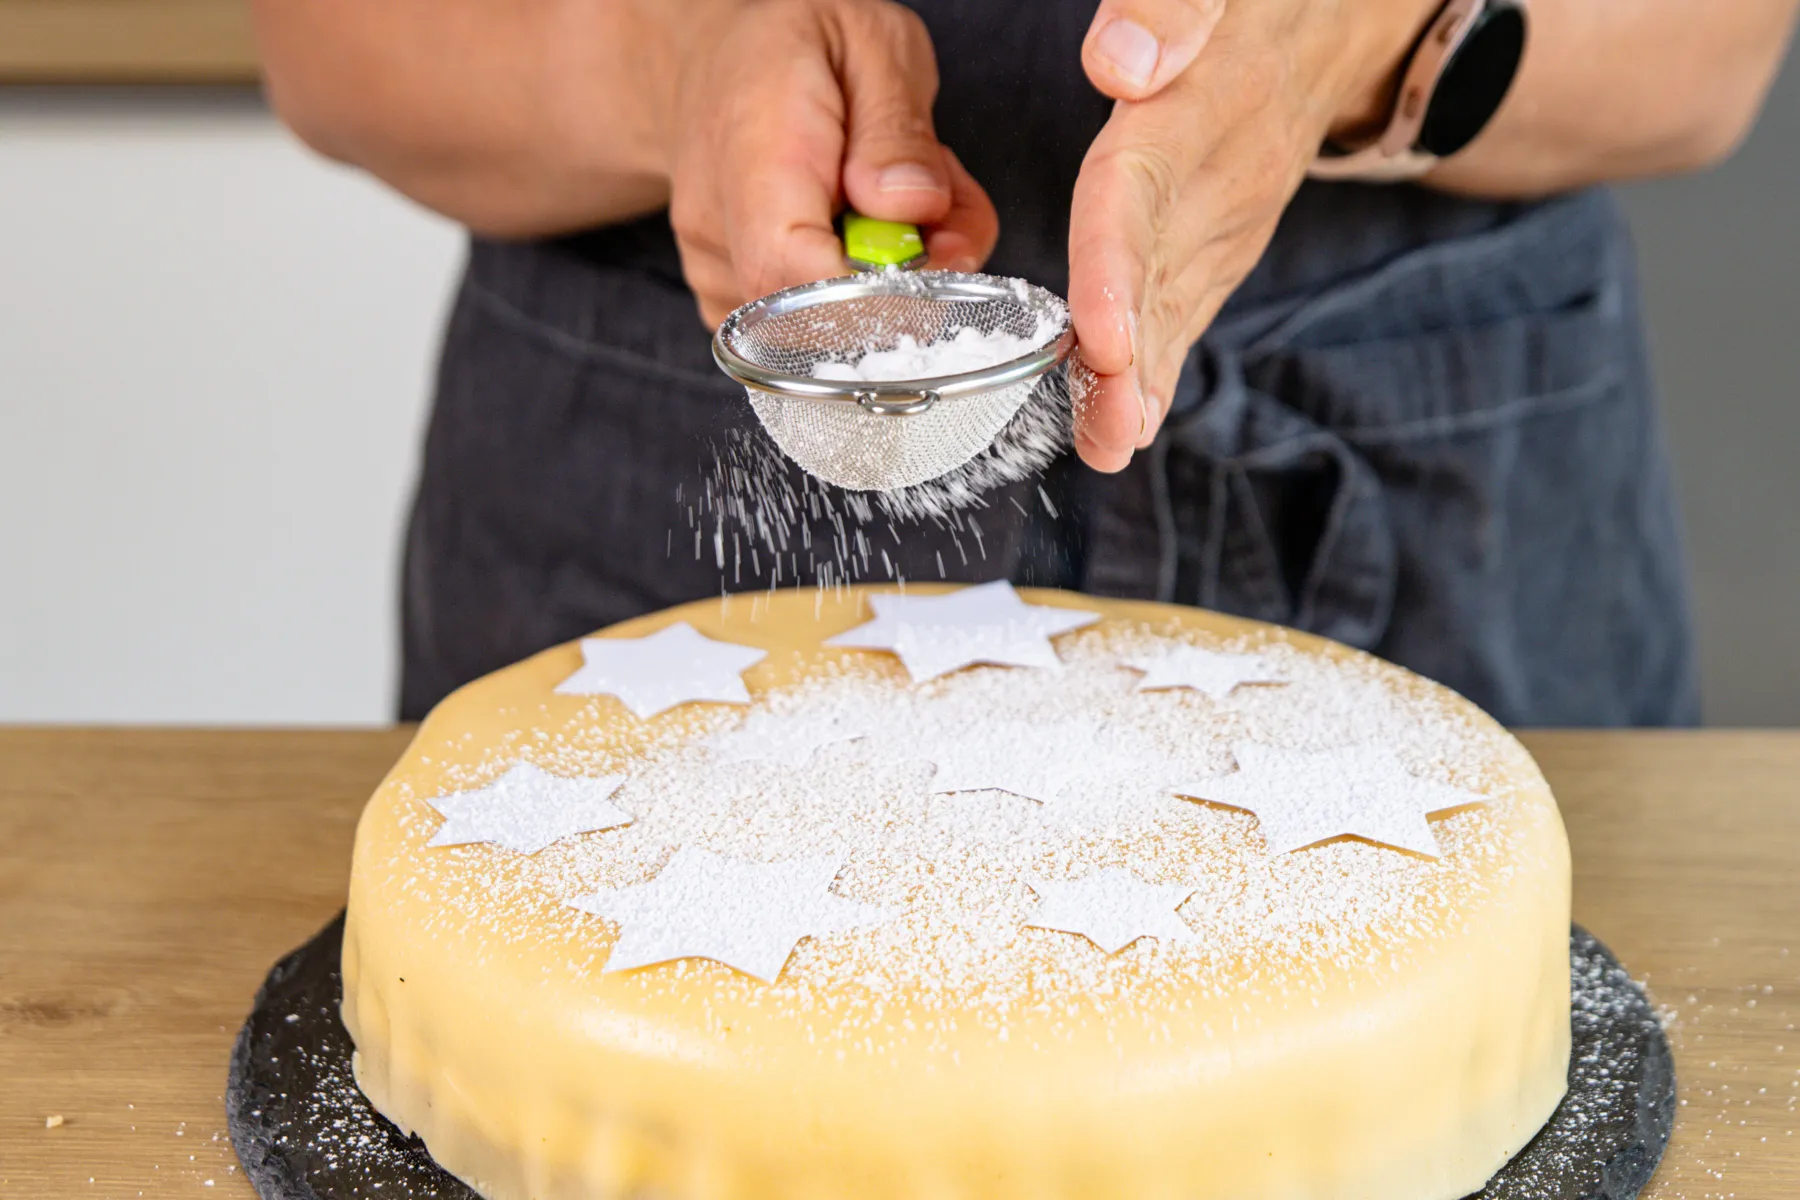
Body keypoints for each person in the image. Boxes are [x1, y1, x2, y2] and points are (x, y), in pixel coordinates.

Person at [252, 0, 1797, 726]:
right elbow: (332, 39)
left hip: (1439, 503)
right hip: (642, 520)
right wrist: (680, 61)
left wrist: (1352, 47)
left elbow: (1712, 57)